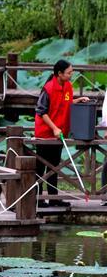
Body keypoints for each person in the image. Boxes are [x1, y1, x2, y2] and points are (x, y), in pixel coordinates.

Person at [34, 59, 89, 204]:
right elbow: (41, 111)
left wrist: (78, 100)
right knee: (41, 167)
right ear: (59, 74)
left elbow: (66, 102)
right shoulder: (48, 88)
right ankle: (38, 200)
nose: (71, 75)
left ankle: (53, 199)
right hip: (45, 134)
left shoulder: (68, 86)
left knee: (55, 166)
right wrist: (54, 128)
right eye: (69, 73)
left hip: (59, 134)